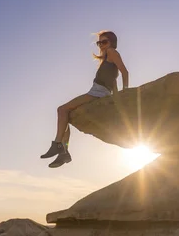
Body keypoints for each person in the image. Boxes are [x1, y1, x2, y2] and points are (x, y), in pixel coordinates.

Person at [40, 30, 129, 168]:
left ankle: (58, 144)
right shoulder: (107, 58)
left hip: (98, 92)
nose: (101, 45)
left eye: (104, 42)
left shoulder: (112, 52)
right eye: (99, 43)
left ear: (112, 42)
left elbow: (124, 71)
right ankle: (64, 152)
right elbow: (113, 79)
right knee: (67, 114)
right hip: (98, 92)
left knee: (62, 109)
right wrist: (114, 96)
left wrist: (126, 93)